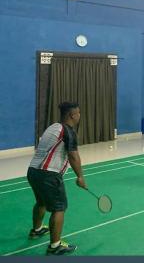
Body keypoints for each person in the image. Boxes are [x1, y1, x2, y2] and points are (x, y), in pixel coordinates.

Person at [27, 102, 86, 256]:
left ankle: (37, 230)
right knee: (59, 208)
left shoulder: (53, 127)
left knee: (41, 202)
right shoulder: (69, 131)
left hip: (33, 172)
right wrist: (80, 176)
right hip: (49, 175)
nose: (80, 115)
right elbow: (73, 155)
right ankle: (55, 246)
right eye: (78, 113)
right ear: (72, 115)